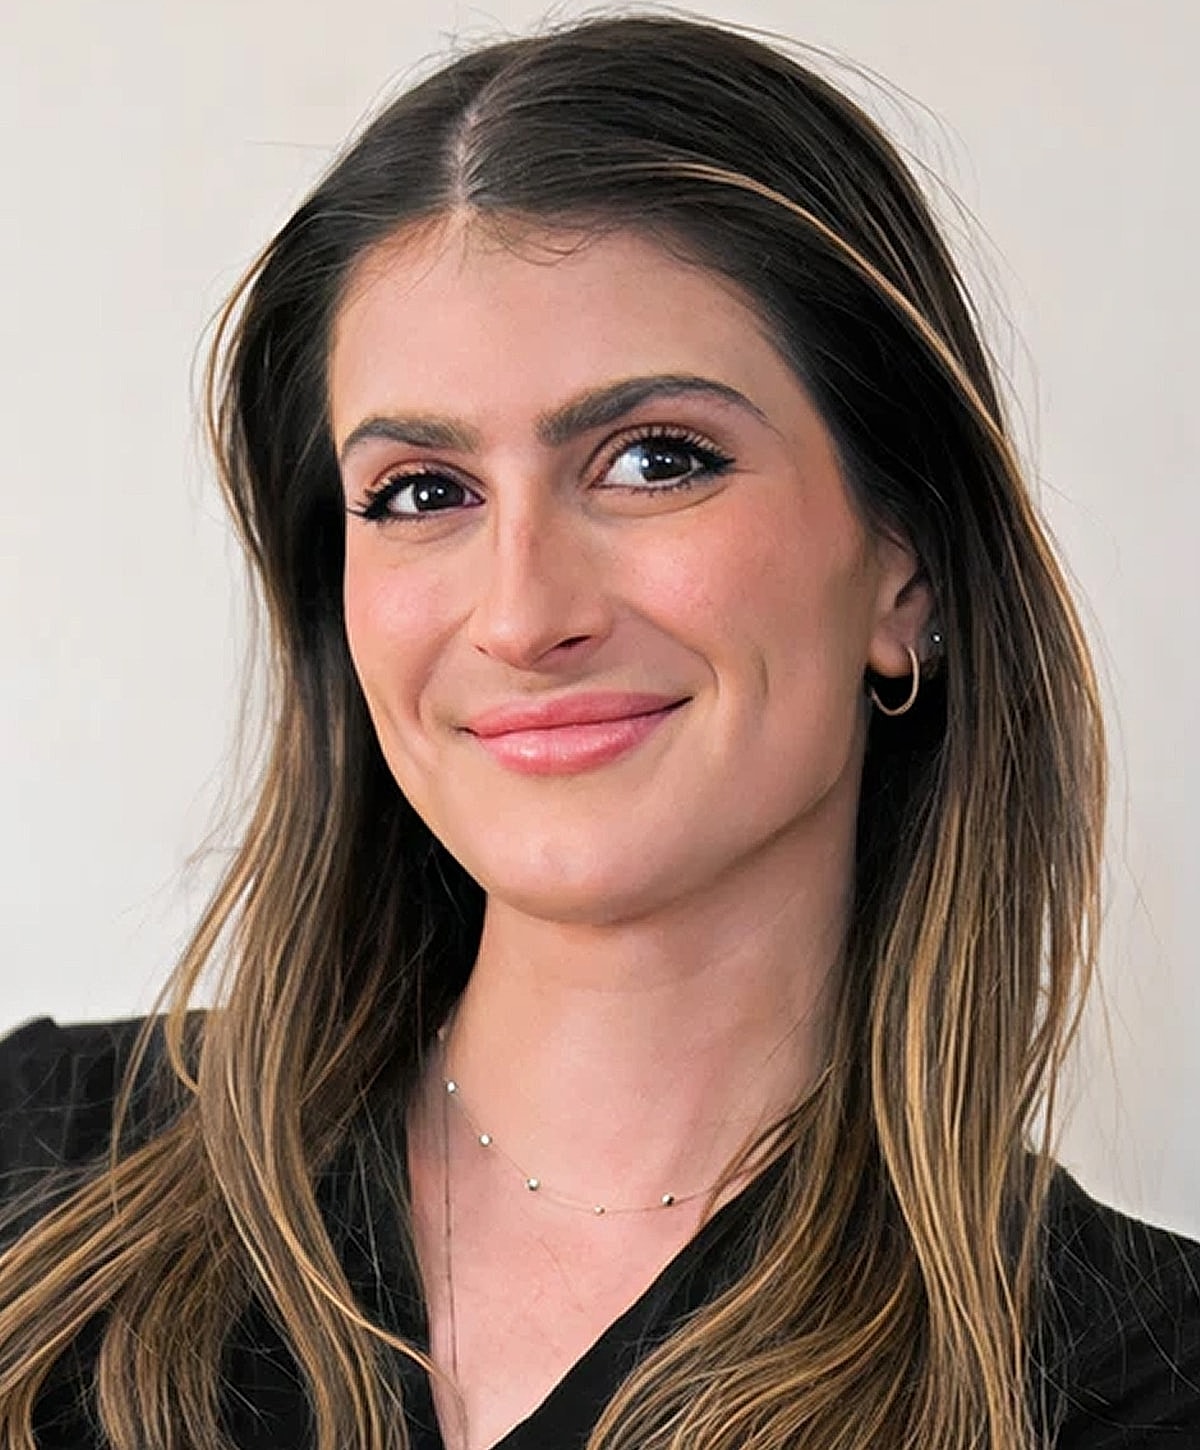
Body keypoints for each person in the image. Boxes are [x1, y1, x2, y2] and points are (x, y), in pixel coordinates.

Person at [1, 13, 1197, 1450]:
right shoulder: (36, 1176)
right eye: (422, 492)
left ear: (907, 569)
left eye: (655, 460)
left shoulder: (1139, 1382)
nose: (523, 615)